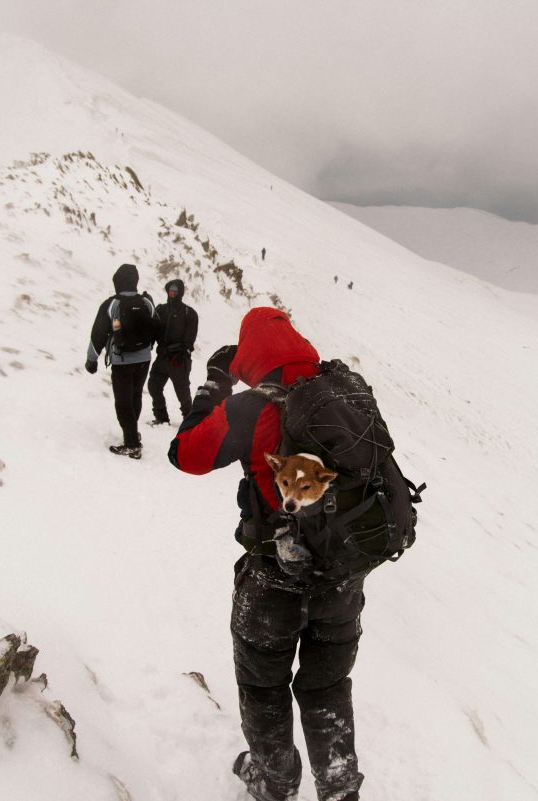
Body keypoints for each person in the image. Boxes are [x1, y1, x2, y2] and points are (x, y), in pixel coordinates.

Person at [168, 308, 364, 801]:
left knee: (263, 685)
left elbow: (185, 454)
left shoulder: (252, 408)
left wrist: (215, 384)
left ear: (251, 355)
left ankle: (275, 783)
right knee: (327, 686)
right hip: (342, 576)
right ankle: (339, 787)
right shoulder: (345, 393)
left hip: (273, 579)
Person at [84, 263, 155, 459]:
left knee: (123, 403)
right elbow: (155, 327)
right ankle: (132, 432)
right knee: (135, 396)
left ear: (117, 281)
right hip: (144, 359)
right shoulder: (147, 302)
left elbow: (98, 334)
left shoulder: (112, 304)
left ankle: (132, 444)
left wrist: (92, 359)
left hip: (122, 360)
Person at [147, 278, 199, 425]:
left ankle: (190, 421)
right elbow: (154, 330)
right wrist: (149, 344)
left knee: (182, 393)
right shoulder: (160, 310)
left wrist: (184, 352)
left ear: (180, 292)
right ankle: (161, 417)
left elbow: (190, 337)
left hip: (178, 359)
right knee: (154, 386)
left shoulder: (189, 313)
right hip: (162, 357)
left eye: (175, 290)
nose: (172, 293)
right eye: (170, 290)